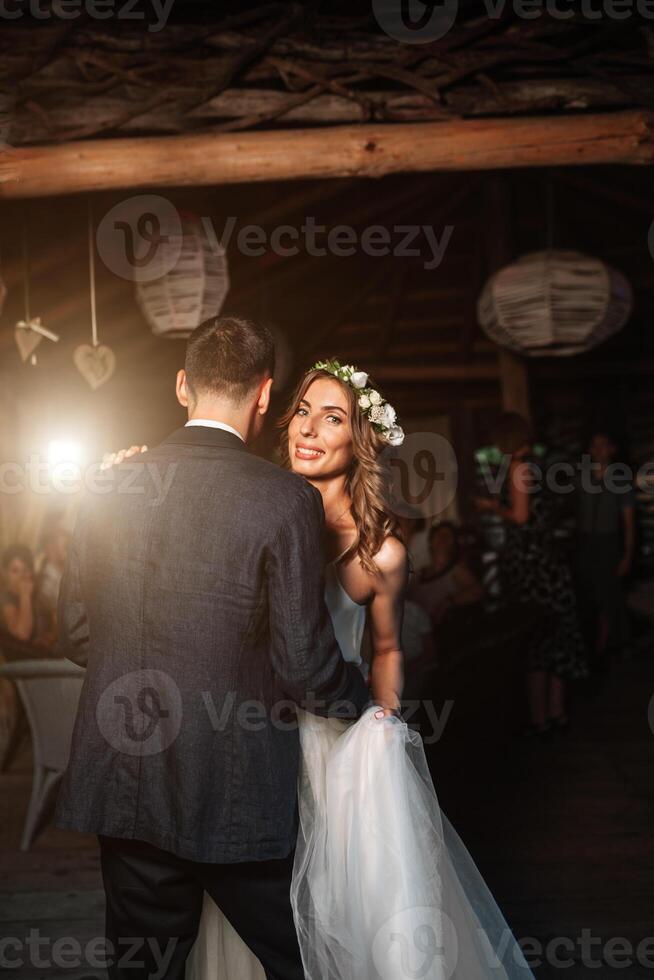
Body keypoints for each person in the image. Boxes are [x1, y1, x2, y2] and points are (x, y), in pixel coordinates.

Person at [99, 346, 534, 979]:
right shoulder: (254, 502)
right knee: (255, 922)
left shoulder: (379, 553)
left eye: (332, 417)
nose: (307, 428)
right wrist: (130, 475)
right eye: (302, 411)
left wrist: (380, 730)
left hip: (334, 745)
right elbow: (185, 502)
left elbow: (385, 648)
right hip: (243, 738)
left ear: (360, 439)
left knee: (342, 915)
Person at [55, 316, 370, 980]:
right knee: (304, 959)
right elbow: (308, 669)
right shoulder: (285, 499)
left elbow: (78, 634)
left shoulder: (106, 485)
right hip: (237, 780)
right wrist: (363, 698)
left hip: (129, 779)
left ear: (181, 386)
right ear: (264, 394)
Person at [474, 413, 587, 737]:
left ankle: (539, 719)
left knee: (536, 641)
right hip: (548, 561)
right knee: (555, 639)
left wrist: (492, 507)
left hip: (532, 566)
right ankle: (557, 713)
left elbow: (521, 517)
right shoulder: (538, 464)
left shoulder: (518, 468)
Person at [576, 430, 636, 676]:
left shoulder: (620, 479)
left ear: (612, 449)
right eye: (595, 445)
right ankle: (595, 648)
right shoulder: (582, 478)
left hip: (608, 543)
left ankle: (613, 646)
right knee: (589, 596)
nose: (599, 450)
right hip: (585, 543)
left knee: (610, 596)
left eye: (604, 445)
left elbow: (629, 522)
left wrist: (627, 555)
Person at [412, 521, 484, 626]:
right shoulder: (418, 575)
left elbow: (478, 591)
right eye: (439, 535)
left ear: (453, 544)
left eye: (447, 536)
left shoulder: (456, 570)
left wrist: (448, 602)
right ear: (431, 542)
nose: (442, 539)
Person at [36, 525, 71, 650]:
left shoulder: (65, 574)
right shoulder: (46, 578)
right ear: (49, 548)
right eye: (64, 546)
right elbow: (55, 613)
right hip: (50, 643)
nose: (66, 551)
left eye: (67, 546)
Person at [0, 544, 36, 643]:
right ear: (5, 573)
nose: (21, 577)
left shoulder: (37, 595)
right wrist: (25, 595)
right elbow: (22, 634)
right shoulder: (5, 599)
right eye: (15, 571)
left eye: (25, 570)